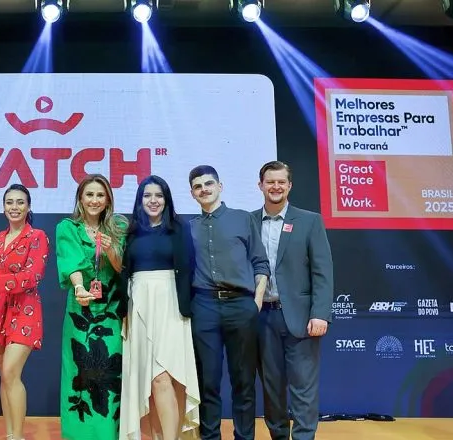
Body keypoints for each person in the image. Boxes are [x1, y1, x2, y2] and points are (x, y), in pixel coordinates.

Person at [252, 161, 333, 440]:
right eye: (270, 182)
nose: (275, 187)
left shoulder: (310, 221)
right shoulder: (247, 222)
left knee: (303, 389)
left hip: (301, 318)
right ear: (260, 185)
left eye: (281, 182)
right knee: (272, 389)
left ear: (289, 186)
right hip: (262, 319)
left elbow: (322, 271)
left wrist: (320, 313)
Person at [187, 165, 270, 440]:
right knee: (207, 382)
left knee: (243, 381)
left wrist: (256, 301)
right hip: (204, 306)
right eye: (198, 187)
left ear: (220, 186)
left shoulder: (243, 219)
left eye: (208, 184)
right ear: (192, 193)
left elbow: (260, 262)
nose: (204, 189)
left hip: (241, 306)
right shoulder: (189, 228)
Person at [118, 175, 201, 440]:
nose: (153, 201)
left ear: (166, 199)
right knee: (152, 383)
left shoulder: (179, 229)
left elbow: (189, 268)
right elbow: (123, 272)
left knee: (169, 377)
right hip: (139, 307)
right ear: (139, 200)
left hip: (172, 307)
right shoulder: (130, 232)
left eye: (158, 195)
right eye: (147, 195)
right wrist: (123, 312)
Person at [55, 174, 127, 440]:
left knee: (109, 372)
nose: (94, 200)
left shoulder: (119, 226)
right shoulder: (68, 227)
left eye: (100, 195)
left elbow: (122, 267)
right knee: (80, 370)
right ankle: (78, 434)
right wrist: (78, 287)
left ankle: (108, 434)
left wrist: (110, 250)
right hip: (80, 309)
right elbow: (71, 261)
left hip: (111, 311)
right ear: (80, 198)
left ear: (108, 199)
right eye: (89, 195)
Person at [0, 184, 50, 440]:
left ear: (28, 206)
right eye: (9, 202)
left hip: (25, 311)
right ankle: (10, 434)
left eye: (20, 202)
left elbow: (33, 276)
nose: (15, 207)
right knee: (4, 375)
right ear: (3, 207)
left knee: (11, 371)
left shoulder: (37, 236)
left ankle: (18, 436)